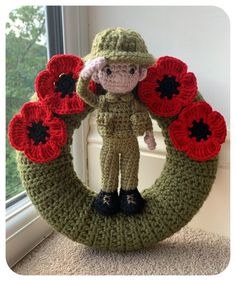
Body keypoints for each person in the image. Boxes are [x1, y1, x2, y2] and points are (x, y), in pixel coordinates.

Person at [77, 28, 156, 216]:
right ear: (98, 74)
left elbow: (144, 118)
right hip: (109, 145)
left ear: (140, 73)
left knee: (130, 169)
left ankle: (129, 193)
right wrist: (86, 72)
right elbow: (82, 92)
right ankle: (108, 194)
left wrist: (149, 134)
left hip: (130, 144)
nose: (120, 78)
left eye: (130, 70)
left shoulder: (134, 104)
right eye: (109, 70)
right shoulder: (102, 102)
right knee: (108, 169)